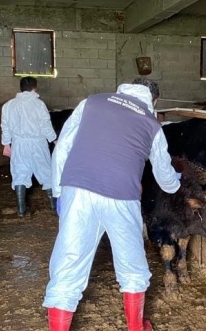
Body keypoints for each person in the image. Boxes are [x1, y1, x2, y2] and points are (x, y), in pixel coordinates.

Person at [42, 78, 180, 331]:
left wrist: (59, 192)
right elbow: (165, 178)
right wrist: (178, 183)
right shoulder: (152, 124)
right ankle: (136, 328)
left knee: (68, 262)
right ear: (154, 101)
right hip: (121, 196)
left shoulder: (91, 102)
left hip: (78, 189)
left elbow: (62, 147)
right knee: (132, 264)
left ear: (122, 89)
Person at [1, 76, 57, 217]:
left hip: (19, 144)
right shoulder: (39, 104)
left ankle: (21, 210)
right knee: (46, 172)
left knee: (19, 173)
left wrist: (6, 144)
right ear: (34, 88)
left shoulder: (8, 105)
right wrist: (54, 139)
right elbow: (45, 125)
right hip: (38, 143)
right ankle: (53, 207)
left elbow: (5, 126)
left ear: (21, 88)